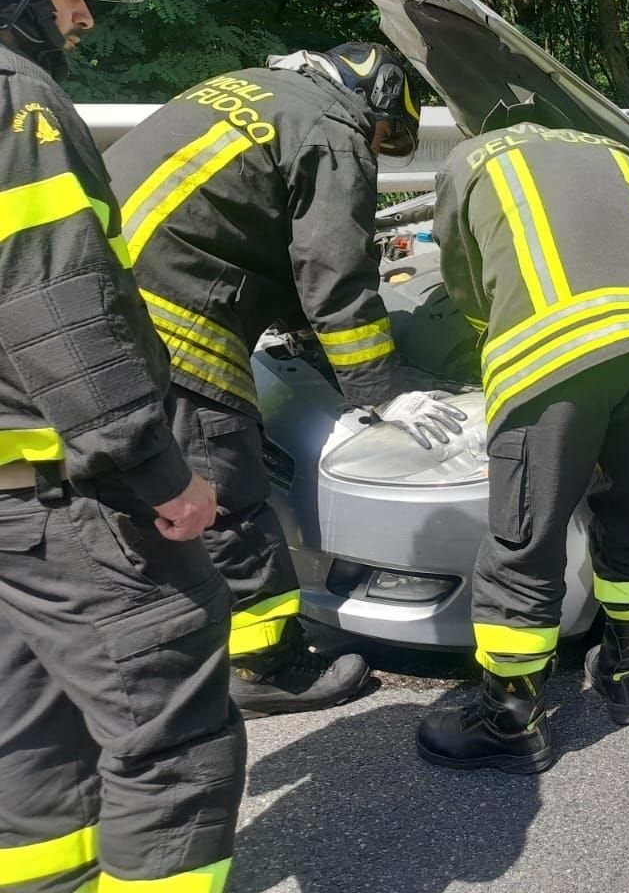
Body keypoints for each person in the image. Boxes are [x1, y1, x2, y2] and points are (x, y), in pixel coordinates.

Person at [0, 0, 245, 893]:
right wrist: (161, 479)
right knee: (176, 738)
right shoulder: (20, 104)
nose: (81, 14)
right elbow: (61, 317)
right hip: (69, 498)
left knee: (32, 730)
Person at [105, 41, 467, 716]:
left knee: (134, 469)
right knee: (225, 487)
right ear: (381, 96)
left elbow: (261, 226)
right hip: (172, 307)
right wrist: (383, 389)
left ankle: (161, 627)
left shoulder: (249, 88)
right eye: (387, 133)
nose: (377, 144)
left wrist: (305, 333)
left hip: (98, 288)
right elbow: (335, 269)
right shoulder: (334, 127)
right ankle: (267, 666)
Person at [416, 103, 629, 774]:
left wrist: (485, 329)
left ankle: (510, 722)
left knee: (526, 541)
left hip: (555, 357)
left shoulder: (473, 158)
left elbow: (462, 274)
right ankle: (626, 676)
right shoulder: (619, 151)